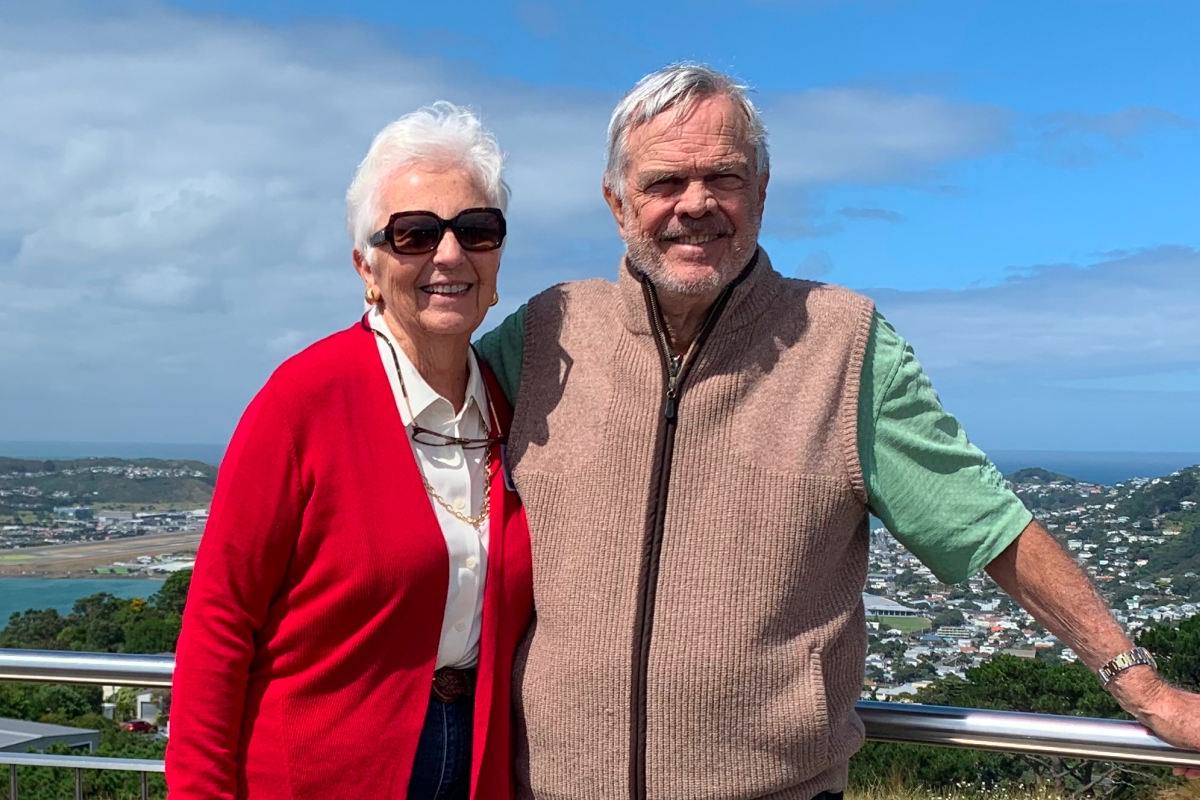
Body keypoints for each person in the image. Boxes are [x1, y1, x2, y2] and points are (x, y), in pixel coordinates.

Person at [475, 63, 1200, 800]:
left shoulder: (843, 344)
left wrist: (1143, 689)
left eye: (722, 178)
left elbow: (986, 525)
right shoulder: (548, 333)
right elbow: (413, 416)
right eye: (665, 182)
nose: (695, 205)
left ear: (761, 191)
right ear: (617, 202)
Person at [167, 102, 533, 800]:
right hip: (323, 770)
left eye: (476, 230)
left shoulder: (512, 405)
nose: (449, 255)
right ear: (366, 266)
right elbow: (218, 624)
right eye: (415, 235)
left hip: (479, 763)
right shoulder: (304, 399)